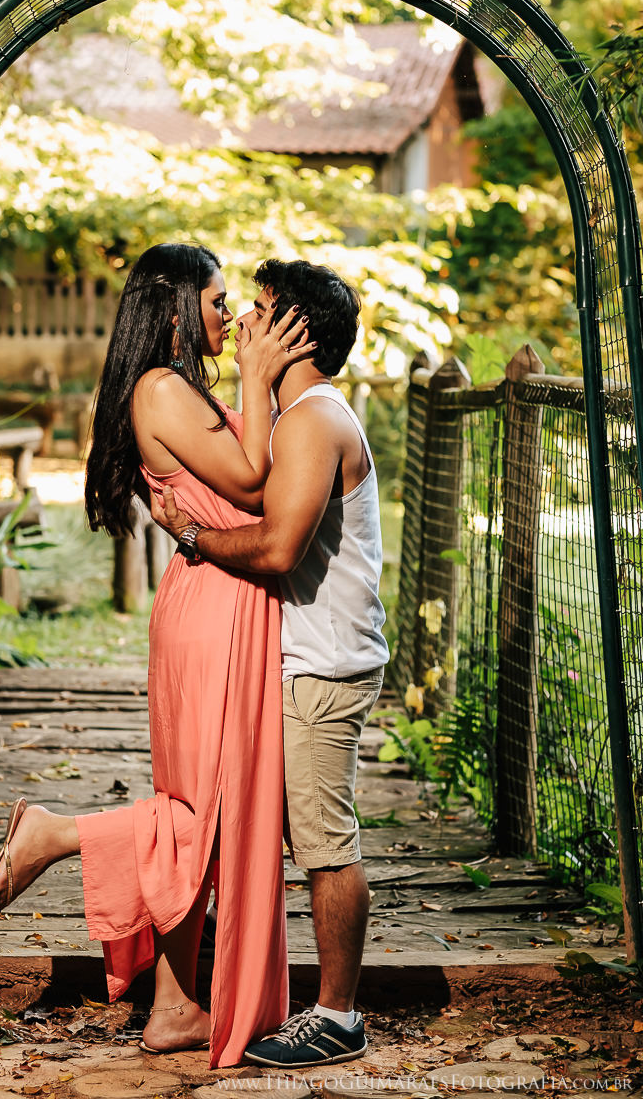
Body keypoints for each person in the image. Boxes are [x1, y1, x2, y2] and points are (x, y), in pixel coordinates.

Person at [0, 243, 314, 1068]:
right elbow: (251, 478)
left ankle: (172, 1005)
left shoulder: (174, 388)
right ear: (172, 308)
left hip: (217, 603)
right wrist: (259, 380)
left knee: (209, 812)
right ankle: (56, 835)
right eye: (216, 301)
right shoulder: (161, 389)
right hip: (214, 614)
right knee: (201, 817)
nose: (229, 316)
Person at [152, 257, 390, 1068]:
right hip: (311, 661)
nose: (245, 324)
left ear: (294, 331)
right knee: (300, 833)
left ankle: (337, 1015)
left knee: (326, 840)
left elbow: (279, 543)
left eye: (258, 312)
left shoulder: (315, 420)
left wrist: (188, 537)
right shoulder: (299, 418)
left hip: (326, 665)